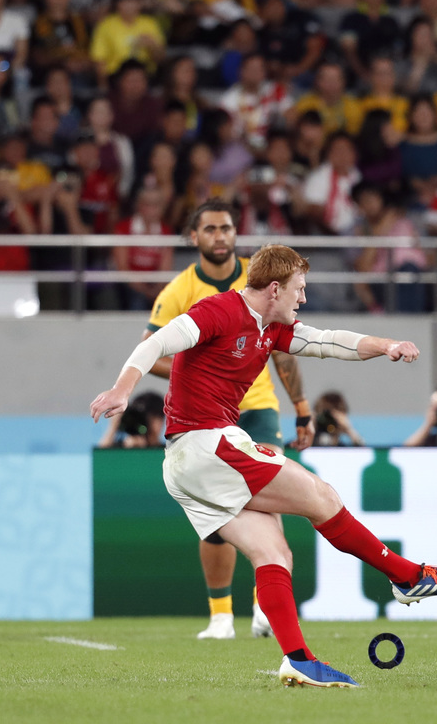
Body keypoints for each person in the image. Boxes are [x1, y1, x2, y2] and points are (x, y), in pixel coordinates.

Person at [91, 243, 437, 687]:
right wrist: (122, 390)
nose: (303, 298)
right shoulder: (219, 310)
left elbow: (329, 341)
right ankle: (407, 576)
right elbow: (156, 342)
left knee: (274, 554)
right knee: (321, 496)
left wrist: (385, 345)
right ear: (275, 288)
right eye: (299, 289)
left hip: (186, 463)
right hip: (206, 445)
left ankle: (298, 659)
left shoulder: (272, 328)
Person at [144, 201, 316, 641]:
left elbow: (282, 347)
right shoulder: (180, 289)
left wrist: (300, 405)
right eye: (210, 229)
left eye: (226, 228)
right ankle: (221, 615)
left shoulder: (263, 278)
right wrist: (203, 368)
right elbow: (151, 346)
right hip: (204, 415)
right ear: (194, 237)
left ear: (236, 233)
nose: (220, 236)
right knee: (218, 516)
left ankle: (265, 605)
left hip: (256, 407)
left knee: (268, 497)